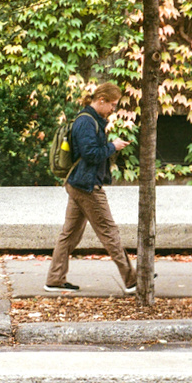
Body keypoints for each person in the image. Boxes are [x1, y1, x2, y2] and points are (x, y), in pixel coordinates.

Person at [45, 82, 136, 294]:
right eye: (112, 104)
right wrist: (112, 146)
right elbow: (91, 154)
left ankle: (54, 279)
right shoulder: (86, 122)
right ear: (101, 100)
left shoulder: (90, 119)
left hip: (78, 183)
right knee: (109, 232)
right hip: (87, 186)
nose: (113, 109)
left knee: (69, 235)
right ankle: (132, 280)